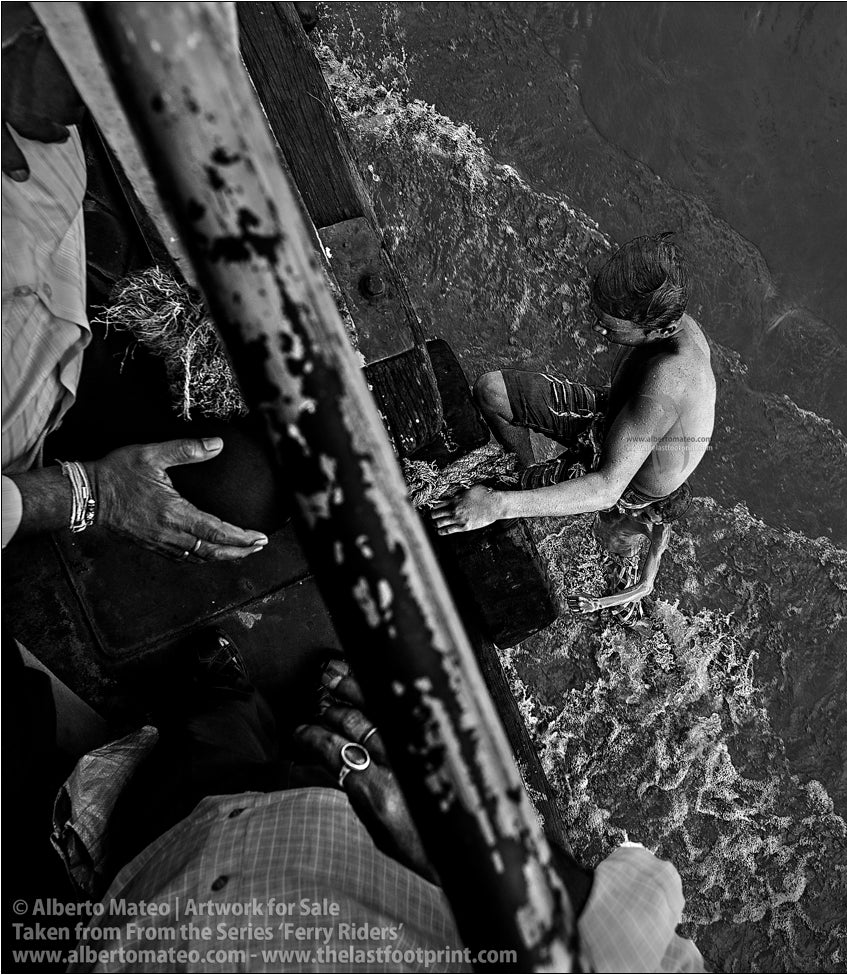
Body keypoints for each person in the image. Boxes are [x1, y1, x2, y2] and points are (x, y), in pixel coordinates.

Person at [53, 630, 705, 973]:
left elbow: (633, 913)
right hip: (347, 856)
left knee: (214, 743)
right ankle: (280, 725)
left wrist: (464, 843)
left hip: (173, 873)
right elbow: (640, 935)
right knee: (310, 766)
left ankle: (231, 704)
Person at [1, 2, 272, 561]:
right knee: (238, 491)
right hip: (16, 457)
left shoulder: (40, 121)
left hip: (52, 354)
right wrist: (90, 492)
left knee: (240, 485)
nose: (89, 103)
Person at [431, 234, 716, 622]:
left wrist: (499, 505)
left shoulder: (671, 380)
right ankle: (522, 472)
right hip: (611, 416)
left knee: (477, 504)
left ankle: (518, 498)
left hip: (625, 478)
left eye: (612, 329)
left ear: (657, 329)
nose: (600, 333)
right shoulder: (669, 319)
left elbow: (607, 487)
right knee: (490, 391)